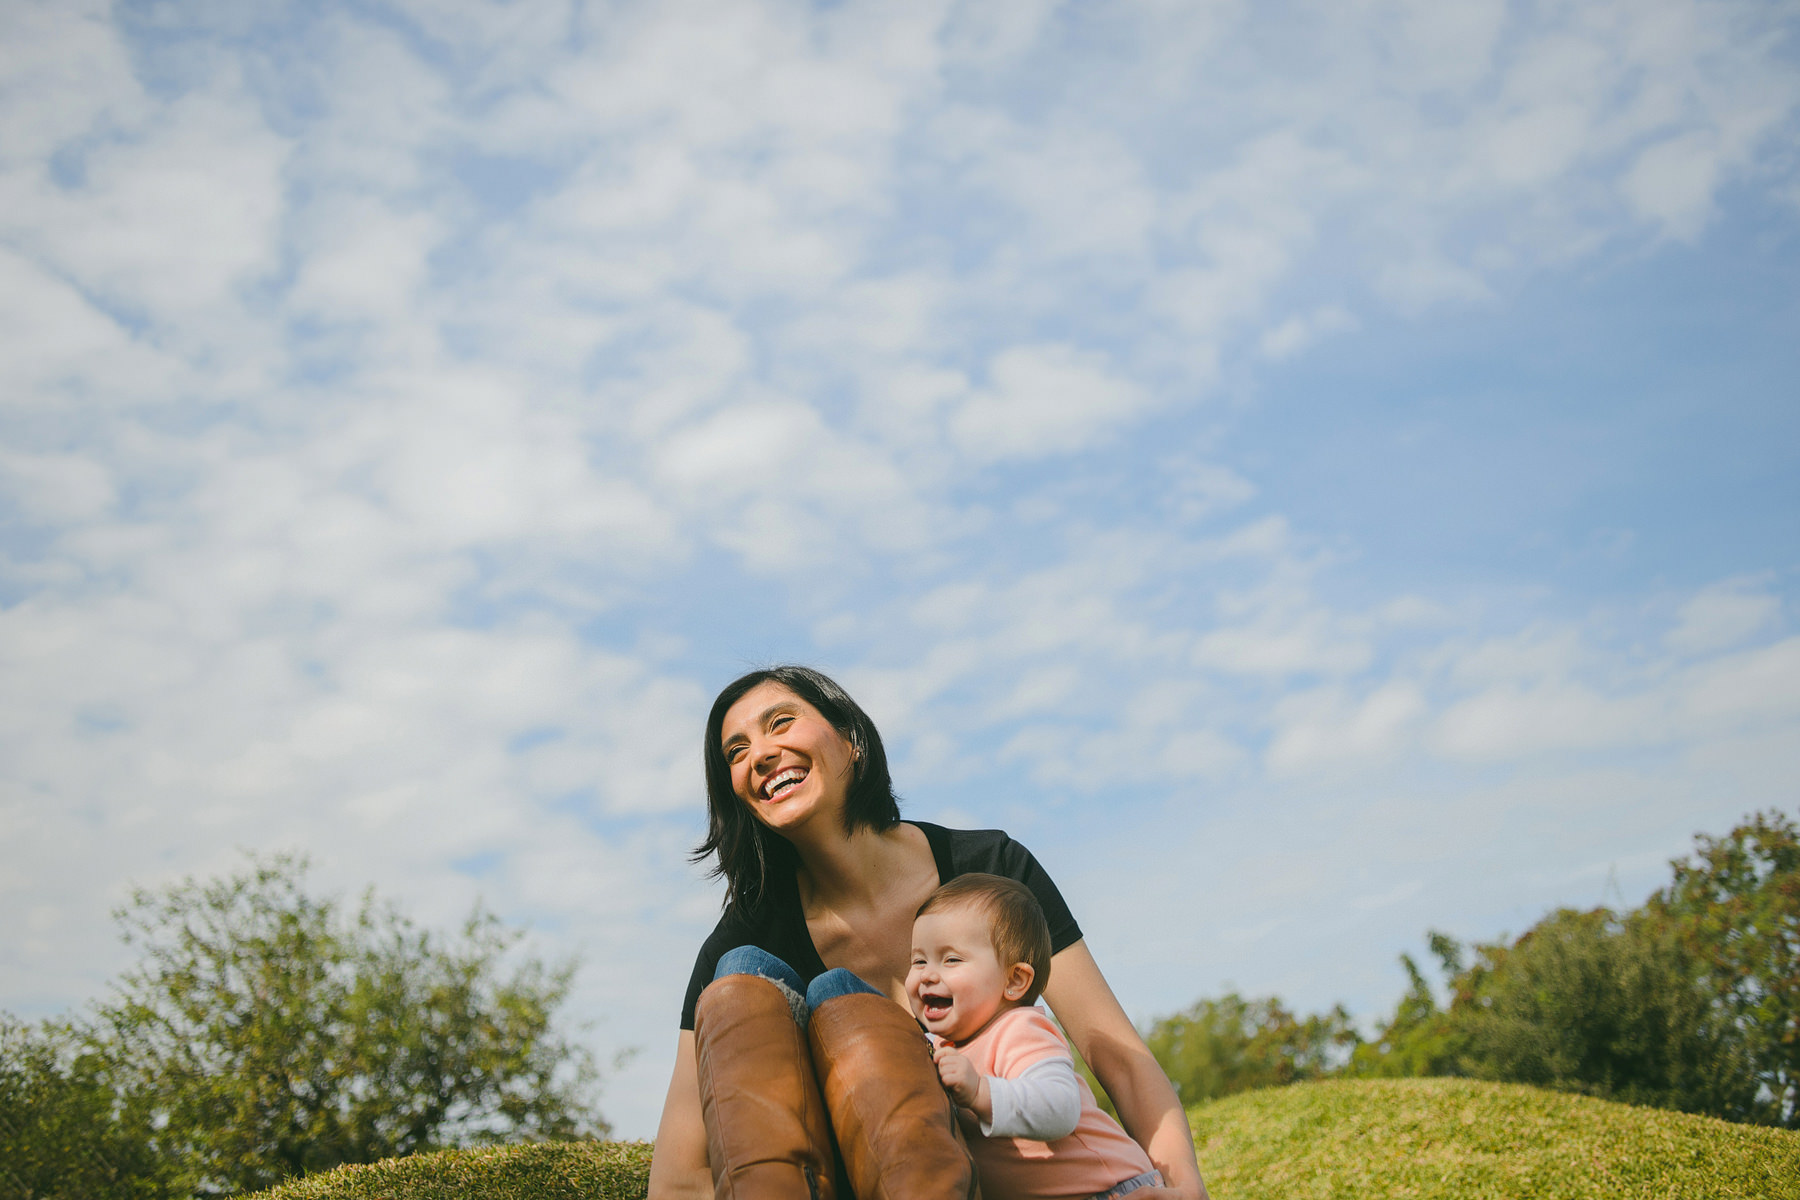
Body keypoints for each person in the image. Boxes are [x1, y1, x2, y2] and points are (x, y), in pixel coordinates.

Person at [648, 666, 1209, 1200]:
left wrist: (1180, 1184)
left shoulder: (990, 870)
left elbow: (1119, 1057)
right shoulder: (747, 940)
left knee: (836, 998)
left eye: (780, 722)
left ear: (850, 739)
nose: (760, 754)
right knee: (745, 974)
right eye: (736, 752)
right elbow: (679, 1176)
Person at [911, 874, 1161, 1200]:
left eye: (952, 959)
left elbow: (1060, 1109)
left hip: (1113, 1189)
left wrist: (980, 1092)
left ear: (1014, 980)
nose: (928, 975)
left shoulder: (1019, 1031)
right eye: (918, 960)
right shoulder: (935, 1047)